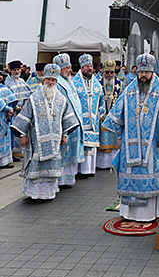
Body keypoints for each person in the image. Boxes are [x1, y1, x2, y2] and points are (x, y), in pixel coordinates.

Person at [102, 53, 159, 221]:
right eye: (141, 72)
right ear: (137, 72)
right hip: (129, 143)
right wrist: (118, 136)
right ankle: (128, 213)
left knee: (151, 173)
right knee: (130, 173)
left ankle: (150, 213)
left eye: (147, 72)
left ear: (153, 72)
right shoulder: (129, 90)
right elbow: (118, 114)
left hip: (152, 144)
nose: (143, 75)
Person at [11, 63, 79, 202]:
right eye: (48, 79)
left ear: (56, 81)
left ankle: (48, 194)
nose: (50, 82)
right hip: (36, 142)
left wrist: (65, 135)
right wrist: (23, 135)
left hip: (55, 142)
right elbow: (25, 116)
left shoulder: (61, 99)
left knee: (51, 170)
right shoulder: (34, 98)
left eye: (53, 80)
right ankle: (34, 194)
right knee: (35, 169)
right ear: (43, 80)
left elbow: (67, 119)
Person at [53, 53, 85, 186]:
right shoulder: (58, 83)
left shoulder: (68, 81)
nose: (70, 70)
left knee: (71, 151)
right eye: (67, 68)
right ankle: (61, 180)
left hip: (74, 122)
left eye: (70, 67)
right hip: (64, 122)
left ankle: (69, 178)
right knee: (64, 151)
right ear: (60, 69)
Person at [73, 54, 105, 176]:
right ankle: (78, 170)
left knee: (91, 146)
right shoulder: (74, 83)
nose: (89, 69)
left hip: (94, 121)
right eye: (87, 66)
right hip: (80, 120)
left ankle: (89, 170)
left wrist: (101, 113)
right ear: (81, 68)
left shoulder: (96, 84)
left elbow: (102, 99)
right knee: (80, 145)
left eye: (91, 66)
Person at [97, 59, 123, 169]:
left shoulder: (120, 85)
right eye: (106, 72)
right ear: (103, 72)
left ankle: (113, 163)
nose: (109, 75)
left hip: (115, 119)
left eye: (111, 73)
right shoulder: (98, 84)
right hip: (101, 118)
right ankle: (102, 164)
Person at [5, 60, 32, 158]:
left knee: (22, 130)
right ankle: (12, 153)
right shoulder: (7, 82)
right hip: (12, 111)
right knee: (12, 131)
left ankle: (19, 151)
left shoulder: (22, 81)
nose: (16, 72)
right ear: (10, 70)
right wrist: (16, 107)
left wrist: (24, 107)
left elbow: (29, 96)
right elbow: (6, 97)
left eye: (18, 70)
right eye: (14, 70)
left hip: (22, 110)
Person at [0, 75, 18, 169]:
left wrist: (12, 108)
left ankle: (4, 162)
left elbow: (11, 99)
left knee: (5, 138)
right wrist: (8, 109)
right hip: (2, 116)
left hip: (5, 118)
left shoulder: (3, 87)